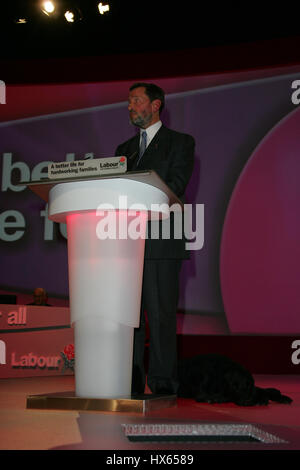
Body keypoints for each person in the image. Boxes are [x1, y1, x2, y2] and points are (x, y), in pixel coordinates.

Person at [115, 82, 195, 395]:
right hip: (127, 242)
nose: (131, 106)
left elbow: (175, 185)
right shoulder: (124, 149)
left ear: (156, 104)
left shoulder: (180, 142)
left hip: (162, 240)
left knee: (160, 316)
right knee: (130, 318)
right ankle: (132, 382)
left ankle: (162, 384)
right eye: (129, 101)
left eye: (136, 100)